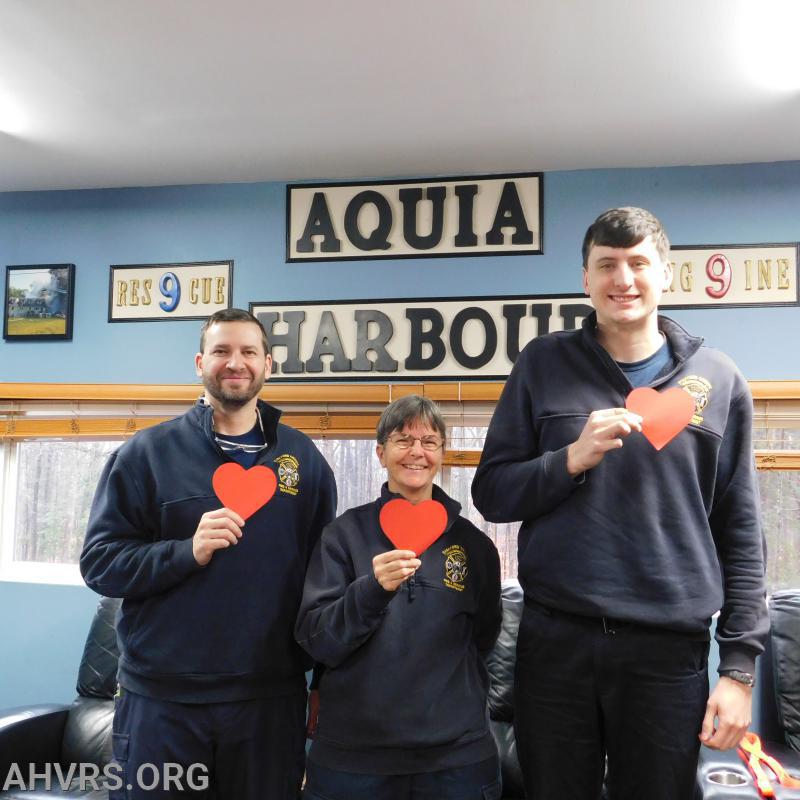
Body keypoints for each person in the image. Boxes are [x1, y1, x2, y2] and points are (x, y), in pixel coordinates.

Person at [471, 207, 768, 800]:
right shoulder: (541, 364)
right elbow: (492, 492)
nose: (623, 279)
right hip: (556, 643)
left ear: (666, 275)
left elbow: (740, 530)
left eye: (637, 263)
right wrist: (570, 459)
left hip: (666, 653)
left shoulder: (720, 379)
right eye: (606, 264)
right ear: (586, 279)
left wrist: (738, 668)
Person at [80, 308, 337, 800]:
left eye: (247, 352)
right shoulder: (145, 454)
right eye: (221, 351)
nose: (234, 362)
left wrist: (322, 678)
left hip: (270, 700)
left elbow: (326, 584)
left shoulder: (305, 462)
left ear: (268, 365)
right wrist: (186, 552)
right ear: (201, 362)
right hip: (161, 703)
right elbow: (100, 563)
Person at [295, 394, 503, 800]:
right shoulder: (342, 536)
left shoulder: (475, 546)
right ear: (380, 452)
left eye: (429, 441)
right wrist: (371, 591)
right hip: (352, 761)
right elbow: (317, 640)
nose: (417, 452)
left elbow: (483, 637)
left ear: (442, 452)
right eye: (402, 440)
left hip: (457, 760)